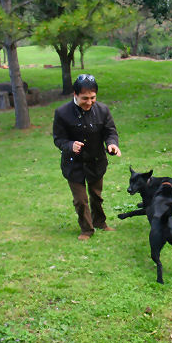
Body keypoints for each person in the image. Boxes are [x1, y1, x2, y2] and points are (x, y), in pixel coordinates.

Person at [53, 74, 121, 240]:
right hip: (73, 164)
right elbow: (58, 139)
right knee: (80, 200)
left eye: (93, 98)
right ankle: (87, 230)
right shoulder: (62, 113)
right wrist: (70, 146)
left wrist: (112, 144)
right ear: (75, 95)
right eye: (85, 98)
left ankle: (100, 222)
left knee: (96, 196)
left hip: (96, 161)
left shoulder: (103, 110)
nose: (89, 102)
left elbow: (110, 131)